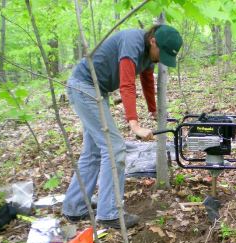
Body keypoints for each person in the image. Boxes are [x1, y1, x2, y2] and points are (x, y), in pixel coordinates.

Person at [62, 25, 183, 229]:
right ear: (153, 41)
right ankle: (109, 213)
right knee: (115, 148)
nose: (159, 59)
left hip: (97, 90)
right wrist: (134, 124)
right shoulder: (132, 41)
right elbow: (127, 84)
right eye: (160, 54)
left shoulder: (148, 54)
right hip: (84, 87)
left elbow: (146, 79)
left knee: (93, 152)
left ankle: (76, 206)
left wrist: (153, 109)